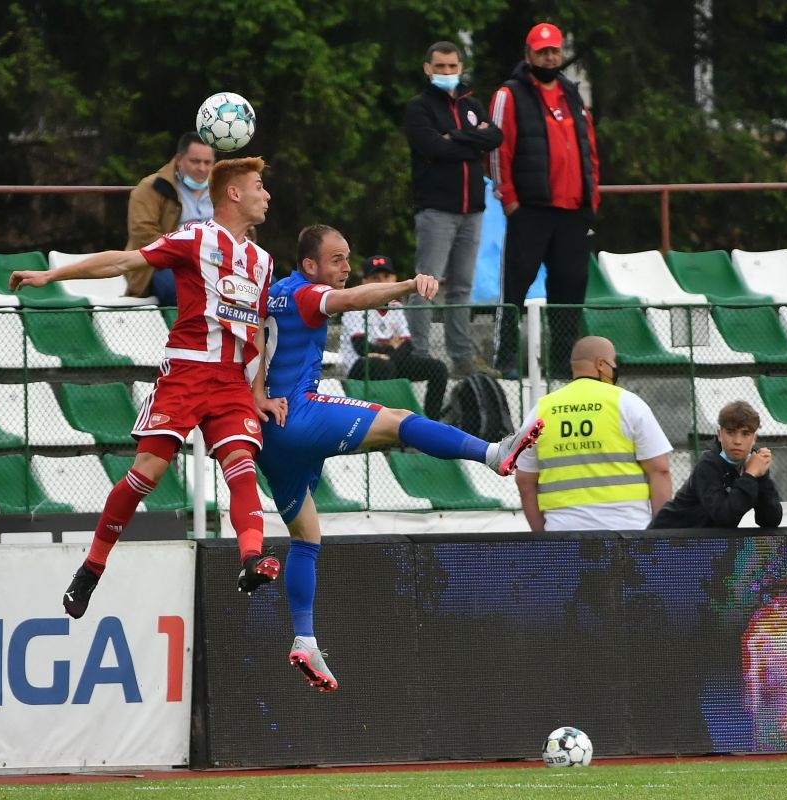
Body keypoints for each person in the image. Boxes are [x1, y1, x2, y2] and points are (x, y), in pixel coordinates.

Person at [259, 224, 545, 691]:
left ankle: (304, 638)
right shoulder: (309, 293)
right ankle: (493, 453)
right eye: (336, 259)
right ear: (309, 265)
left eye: (348, 257)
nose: (346, 268)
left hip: (270, 435)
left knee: (306, 536)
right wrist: (410, 285)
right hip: (300, 414)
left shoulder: (270, 295)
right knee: (396, 419)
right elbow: (351, 302)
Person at [11, 156, 285, 619]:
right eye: (259, 186)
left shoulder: (261, 260)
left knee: (241, 464)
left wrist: (256, 390)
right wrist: (52, 275)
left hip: (230, 382)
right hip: (186, 373)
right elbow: (124, 260)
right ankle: (92, 568)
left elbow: (256, 327)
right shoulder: (194, 237)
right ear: (234, 193)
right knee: (147, 473)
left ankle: (251, 559)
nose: (267, 195)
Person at [488, 23, 600, 375]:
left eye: (554, 51)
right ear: (528, 55)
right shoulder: (510, 93)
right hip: (530, 210)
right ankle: (505, 359)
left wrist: (591, 198)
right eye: (542, 51)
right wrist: (509, 201)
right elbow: (497, 149)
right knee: (514, 288)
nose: (550, 57)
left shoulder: (572, 93)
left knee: (569, 290)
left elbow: (589, 149)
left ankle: (563, 366)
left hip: (573, 212)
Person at [403, 41, 503, 378]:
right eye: (440, 67)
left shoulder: (472, 103)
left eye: (452, 66)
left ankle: (462, 357)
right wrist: (473, 137)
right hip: (436, 209)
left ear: (461, 67)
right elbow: (431, 146)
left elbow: (495, 137)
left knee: (462, 287)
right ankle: (418, 354)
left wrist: (455, 137)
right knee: (425, 284)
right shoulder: (419, 107)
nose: (447, 72)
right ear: (427, 68)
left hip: (473, 209)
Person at [513, 336, 671, 531]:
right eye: (613, 363)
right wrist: (660, 533)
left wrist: (544, 538)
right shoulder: (628, 403)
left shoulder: (541, 410)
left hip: (563, 533)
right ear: (600, 364)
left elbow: (524, 483)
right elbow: (660, 470)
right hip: (628, 530)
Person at [339, 255, 449, 420]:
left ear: (394, 278)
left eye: (386, 276)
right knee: (384, 366)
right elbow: (361, 347)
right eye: (375, 278)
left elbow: (407, 345)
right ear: (364, 282)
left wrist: (384, 353)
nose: (382, 282)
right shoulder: (355, 307)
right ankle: (388, 426)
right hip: (358, 366)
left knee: (438, 368)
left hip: (390, 362)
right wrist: (391, 347)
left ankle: (431, 422)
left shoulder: (396, 306)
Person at [649, 400, 782, 529]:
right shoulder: (708, 465)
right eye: (730, 432)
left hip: (703, 543)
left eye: (745, 434)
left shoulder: (754, 464)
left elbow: (770, 520)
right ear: (719, 434)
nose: (737, 441)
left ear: (754, 439)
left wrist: (762, 476)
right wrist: (750, 475)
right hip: (666, 539)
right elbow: (725, 517)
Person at [123, 132, 217, 306]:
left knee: (265, 284)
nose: (202, 168)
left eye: (207, 163)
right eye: (195, 161)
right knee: (178, 289)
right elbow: (143, 233)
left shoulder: (222, 188)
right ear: (179, 159)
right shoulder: (151, 187)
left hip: (218, 258)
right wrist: (189, 254)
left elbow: (244, 224)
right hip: (166, 263)